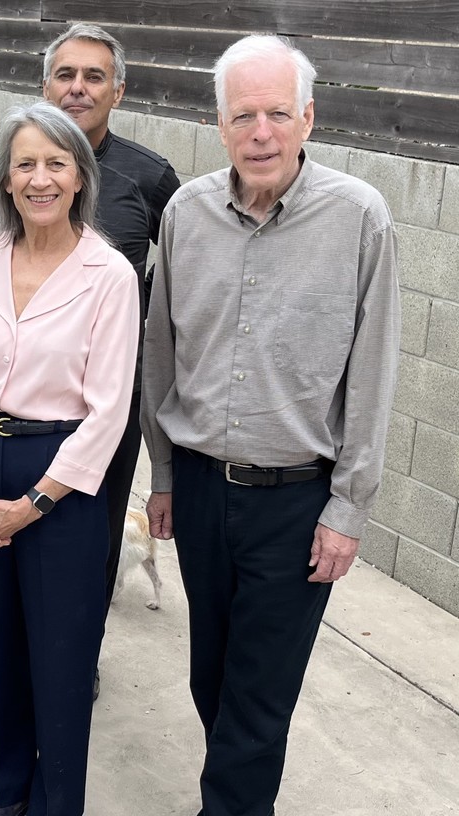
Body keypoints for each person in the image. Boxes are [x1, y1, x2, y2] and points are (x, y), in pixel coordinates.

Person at [141, 35, 400, 816]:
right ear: (219, 124)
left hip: (295, 503)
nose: (261, 133)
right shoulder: (186, 214)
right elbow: (161, 353)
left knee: (258, 694)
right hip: (198, 487)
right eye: (243, 116)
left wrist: (348, 508)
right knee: (211, 677)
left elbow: (373, 373)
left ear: (308, 119)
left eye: (278, 114)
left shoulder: (359, 216)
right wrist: (162, 475)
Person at [0, 101, 139, 816]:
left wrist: (33, 505)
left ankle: (56, 805)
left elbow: (109, 412)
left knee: (60, 660)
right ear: (5, 179)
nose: (40, 178)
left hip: (61, 480)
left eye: (56, 163)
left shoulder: (109, 274)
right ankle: (9, 797)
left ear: (80, 177)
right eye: (25, 164)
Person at [0, 23, 180, 698]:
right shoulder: (2, 170)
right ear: (44, 85)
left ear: (119, 90)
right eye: (65, 74)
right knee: (5, 520)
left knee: (92, 535)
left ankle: (75, 654)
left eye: (94, 76)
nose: (78, 88)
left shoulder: (150, 177)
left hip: (103, 406)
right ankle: (3, 649)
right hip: (15, 404)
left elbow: (177, 284)